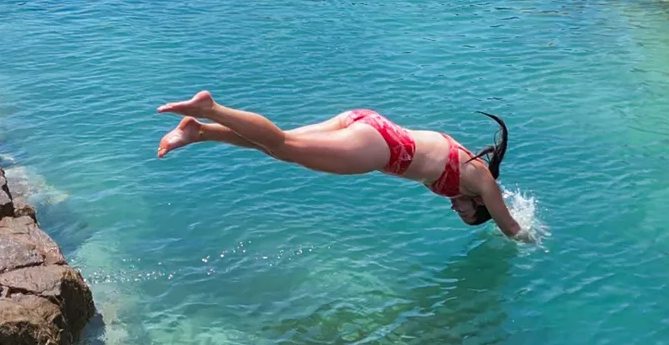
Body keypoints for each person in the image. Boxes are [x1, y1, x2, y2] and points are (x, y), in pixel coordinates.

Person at [156, 91, 525, 238]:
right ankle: (209, 108)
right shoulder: (480, 181)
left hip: (368, 123)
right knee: (282, 145)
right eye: (463, 212)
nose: (454, 207)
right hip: (384, 148)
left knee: (277, 146)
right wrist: (534, 241)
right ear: (478, 204)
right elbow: (509, 225)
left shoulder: (472, 172)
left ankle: (200, 131)